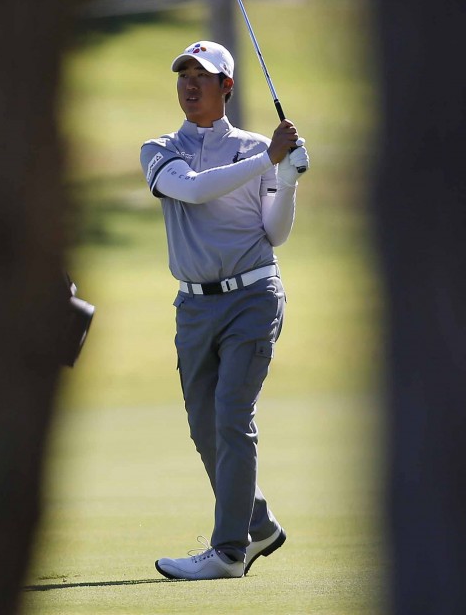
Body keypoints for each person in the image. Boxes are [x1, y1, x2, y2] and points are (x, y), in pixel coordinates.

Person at [140, 40, 310, 580]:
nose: (190, 85)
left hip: (254, 296)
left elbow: (275, 232)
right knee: (204, 426)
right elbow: (190, 192)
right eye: (183, 76)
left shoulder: (257, 148)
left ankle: (230, 551)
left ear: (227, 88)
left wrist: (287, 181)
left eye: (203, 76)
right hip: (193, 307)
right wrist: (271, 160)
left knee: (233, 415)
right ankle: (259, 525)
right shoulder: (158, 148)